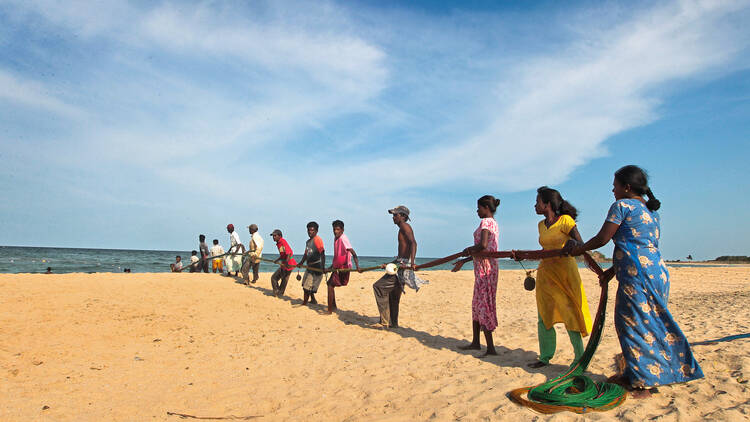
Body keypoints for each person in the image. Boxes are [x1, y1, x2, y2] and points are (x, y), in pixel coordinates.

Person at [568, 165, 703, 398]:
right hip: (656, 273)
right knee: (649, 324)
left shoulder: (622, 206)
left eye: (616, 185)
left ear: (627, 187)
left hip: (637, 277)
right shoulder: (651, 212)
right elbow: (639, 246)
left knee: (631, 324)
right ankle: (638, 372)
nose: (612, 189)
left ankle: (642, 382)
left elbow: (602, 238)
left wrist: (577, 249)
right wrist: (612, 270)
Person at [525, 187, 592, 368]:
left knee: (570, 313)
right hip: (546, 273)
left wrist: (573, 242)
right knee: (544, 315)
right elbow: (546, 250)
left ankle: (579, 358)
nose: (535, 205)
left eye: (538, 202)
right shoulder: (541, 225)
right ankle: (545, 356)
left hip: (565, 274)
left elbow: (581, 244)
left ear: (547, 204)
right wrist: (525, 255)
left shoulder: (565, 221)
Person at [453, 195, 501, 357]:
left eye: (479, 208)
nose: (477, 211)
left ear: (486, 208)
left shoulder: (486, 222)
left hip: (485, 269)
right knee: (477, 303)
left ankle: (491, 348)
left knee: (483, 304)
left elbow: (483, 245)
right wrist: (465, 260)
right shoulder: (494, 223)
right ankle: (475, 342)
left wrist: (468, 249)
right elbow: (482, 250)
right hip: (485, 266)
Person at [373, 205, 428, 328]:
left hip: (402, 266)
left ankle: (384, 321)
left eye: (395, 215)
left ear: (403, 216)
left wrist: (412, 262)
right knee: (393, 295)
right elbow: (401, 255)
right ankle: (394, 324)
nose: (393, 217)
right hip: (400, 263)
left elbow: (413, 243)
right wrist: (389, 264)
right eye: (393, 215)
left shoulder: (404, 226)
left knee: (378, 287)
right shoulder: (402, 228)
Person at [326, 220, 361, 314]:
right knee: (330, 284)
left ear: (342, 230)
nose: (335, 231)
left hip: (344, 267)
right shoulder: (336, 238)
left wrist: (358, 267)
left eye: (338, 229)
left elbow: (353, 252)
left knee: (330, 285)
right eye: (334, 229)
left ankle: (330, 310)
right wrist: (330, 268)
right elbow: (337, 256)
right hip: (337, 267)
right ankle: (333, 307)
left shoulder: (343, 238)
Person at [296, 222, 326, 305]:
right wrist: (301, 263)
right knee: (306, 284)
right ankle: (313, 300)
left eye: (312, 230)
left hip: (316, 267)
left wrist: (323, 267)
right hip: (309, 266)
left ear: (316, 231)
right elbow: (306, 254)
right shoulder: (308, 242)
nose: (310, 232)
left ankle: (304, 303)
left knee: (307, 287)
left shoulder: (317, 240)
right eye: (308, 230)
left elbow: (322, 253)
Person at [270, 229, 297, 297]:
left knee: (276, 278)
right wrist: (278, 260)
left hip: (289, 263)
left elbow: (288, 253)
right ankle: (278, 291)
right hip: (285, 262)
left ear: (280, 236)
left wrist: (286, 264)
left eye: (275, 236)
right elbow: (283, 254)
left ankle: (278, 292)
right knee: (282, 278)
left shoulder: (283, 241)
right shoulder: (278, 243)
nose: (273, 237)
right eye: (273, 236)